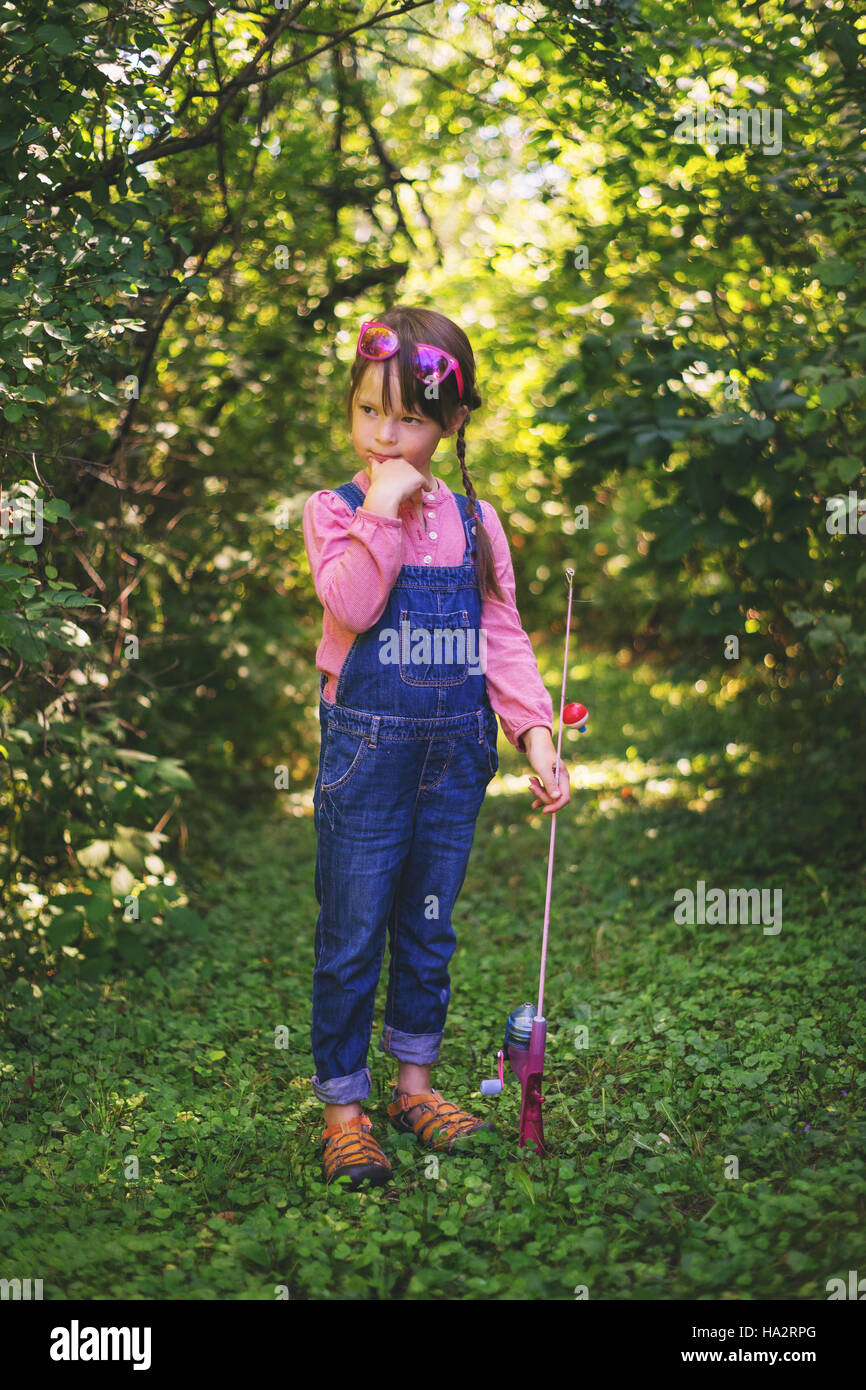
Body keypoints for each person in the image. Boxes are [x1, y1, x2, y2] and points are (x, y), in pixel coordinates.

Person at [302, 306, 571, 1190]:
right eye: (368, 411)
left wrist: (532, 732)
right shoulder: (335, 510)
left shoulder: (477, 522)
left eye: (409, 418)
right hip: (366, 751)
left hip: (454, 756)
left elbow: (502, 634)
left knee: (427, 928)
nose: (385, 433)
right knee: (352, 935)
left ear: (451, 423)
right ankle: (346, 1105)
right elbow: (350, 607)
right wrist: (381, 508)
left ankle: (414, 1085)